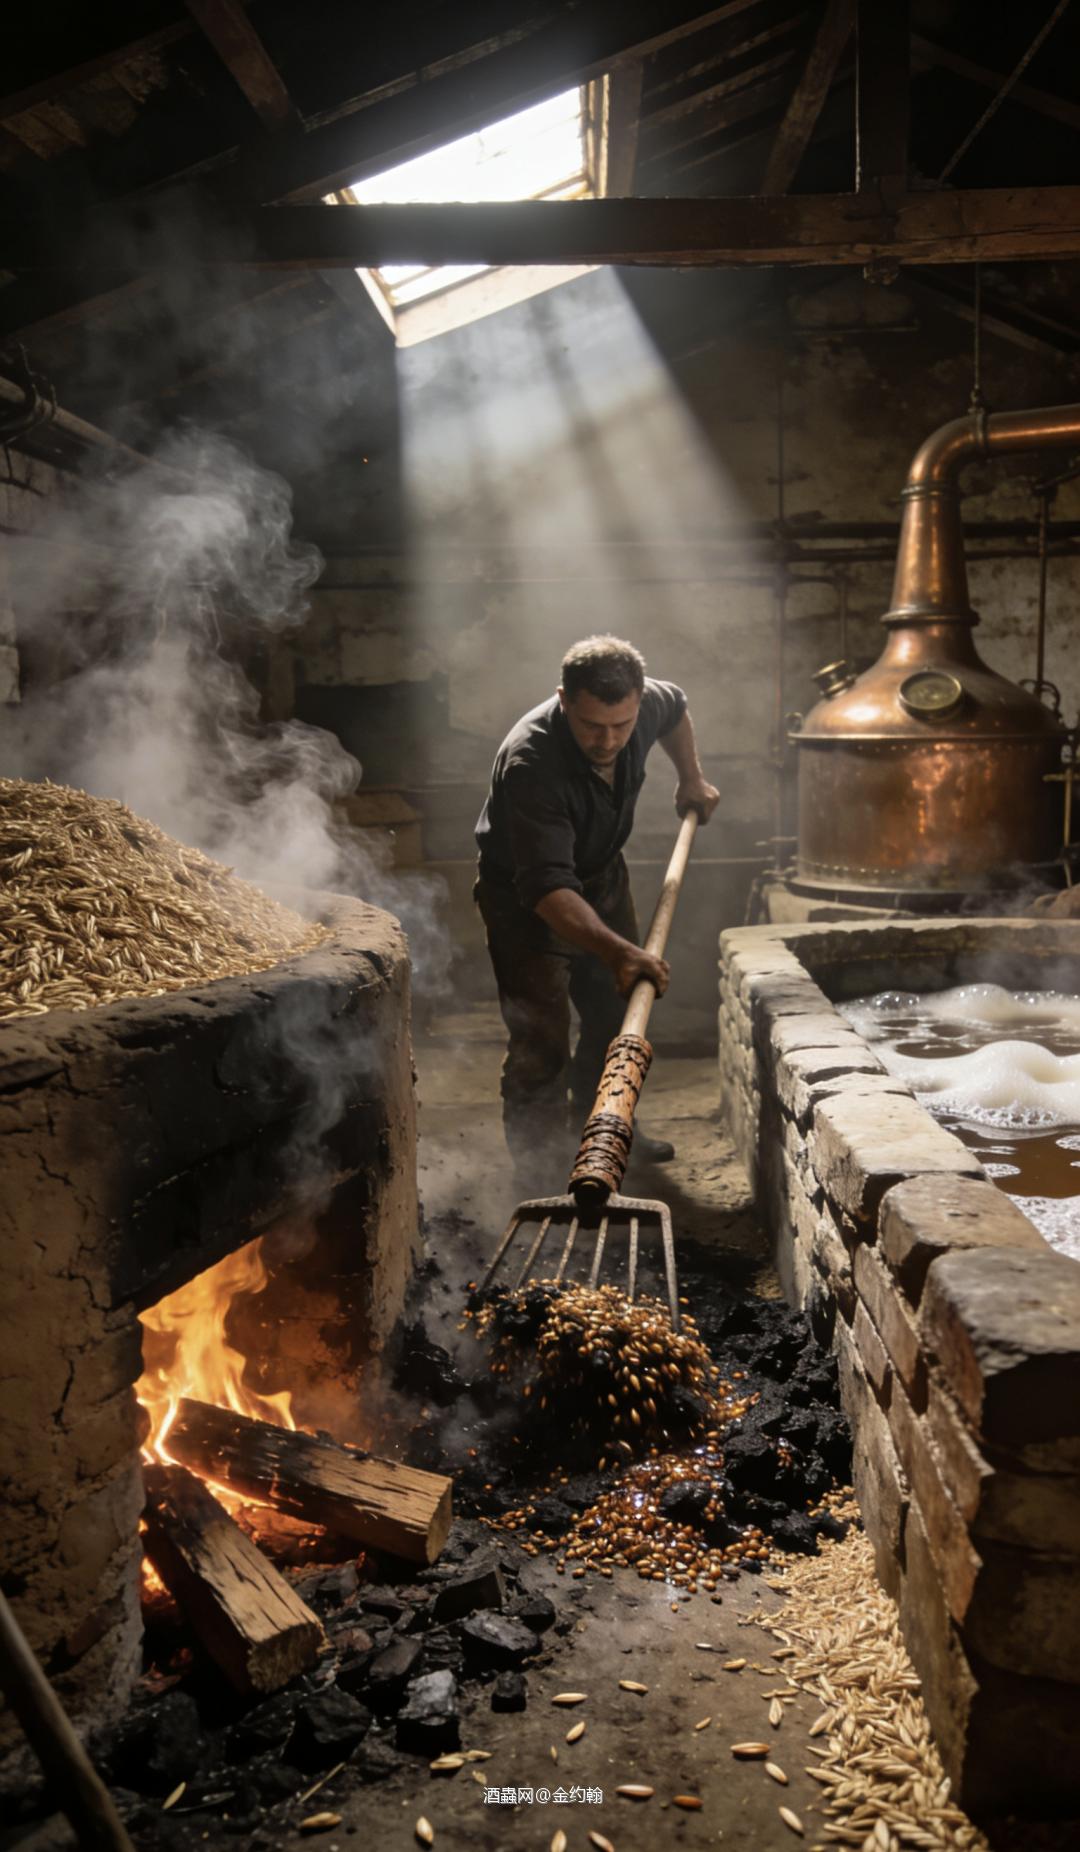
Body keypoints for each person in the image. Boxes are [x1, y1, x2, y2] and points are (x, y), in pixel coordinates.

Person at [474, 635, 719, 1186]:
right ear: (564, 699)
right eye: (591, 726)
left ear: (636, 701)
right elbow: (547, 889)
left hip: (602, 875)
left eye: (621, 726)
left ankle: (604, 1131)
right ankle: (538, 1170)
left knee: (616, 1014)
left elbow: (675, 707)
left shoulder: (647, 703)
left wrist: (691, 777)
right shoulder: (531, 762)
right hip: (527, 902)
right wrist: (620, 950)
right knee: (541, 1038)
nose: (607, 741)